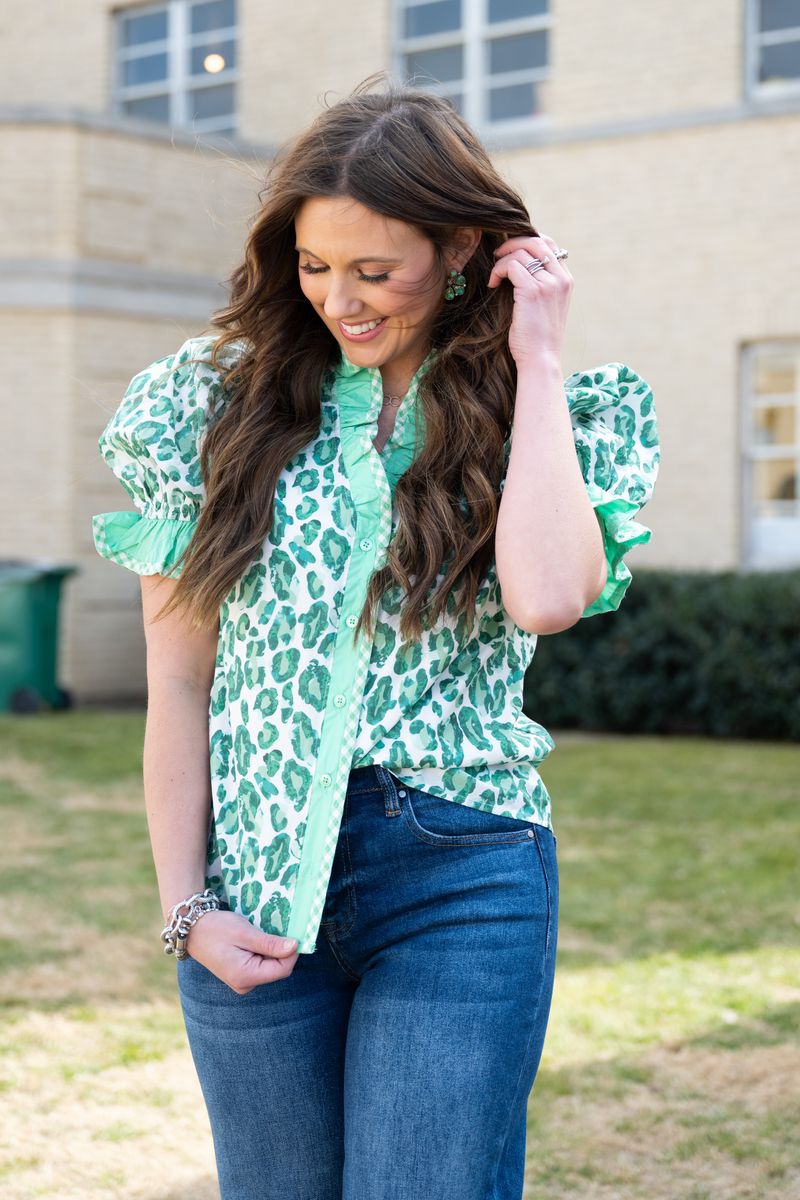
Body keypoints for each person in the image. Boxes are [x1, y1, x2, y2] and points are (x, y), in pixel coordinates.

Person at [92, 72, 659, 1200]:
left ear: (460, 249)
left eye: (373, 270)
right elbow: (180, 679)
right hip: (252, 884)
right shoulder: (209, 408)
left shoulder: (539, 412)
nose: (339, 301)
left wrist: (539, 357)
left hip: (461, 876)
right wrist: (186, 907)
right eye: (314, 266)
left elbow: (549, 597)